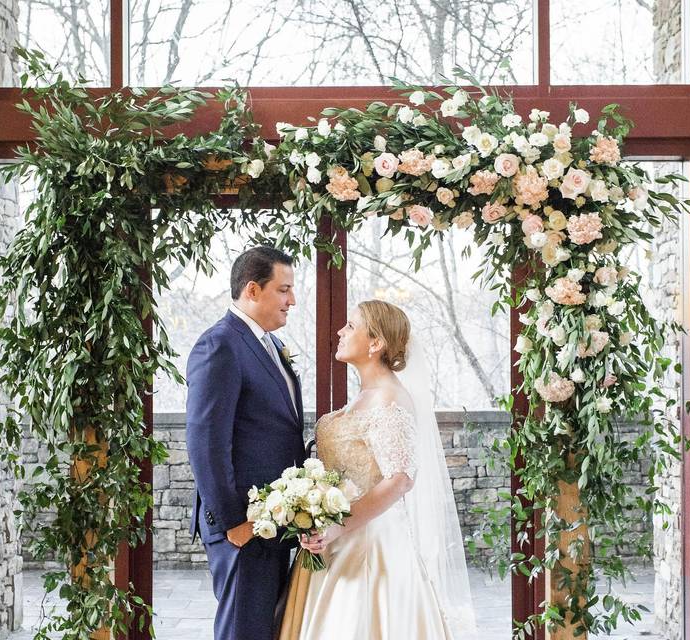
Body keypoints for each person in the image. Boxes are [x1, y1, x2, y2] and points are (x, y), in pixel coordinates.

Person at [278, 300, 477, 640]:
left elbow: (400, 479)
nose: (340, 331)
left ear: (376, 343)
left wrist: (338, 527)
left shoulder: (389, 399)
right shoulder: (366, 395)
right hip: (333, 542)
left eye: (351, 326)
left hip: (371, 545)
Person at [185, 246, 306, 640]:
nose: (292, 300)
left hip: (272, 522)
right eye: (284, 289)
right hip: (244, 523)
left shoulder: (268, 344)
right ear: (252, 290)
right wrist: (234, 522)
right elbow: (206, 443)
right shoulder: (220, 344)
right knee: (242, 631)